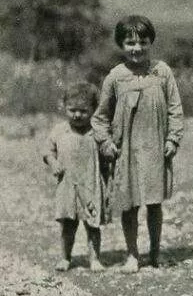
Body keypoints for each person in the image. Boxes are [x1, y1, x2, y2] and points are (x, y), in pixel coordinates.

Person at [92, 15, 184, 273]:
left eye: (143, 42)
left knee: (154, 203)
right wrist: (106, 143)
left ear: (150, 42)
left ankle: (155, 254)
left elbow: (175, 110)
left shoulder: (162, 72)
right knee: (129, 204)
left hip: (155, 147)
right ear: (121, 45)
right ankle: (132, 254)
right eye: (130, 42)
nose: (137, 48)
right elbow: (100, 118)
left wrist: (173, 139)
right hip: (126, 151)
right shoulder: (115, 77)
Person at [43, 82, 107, 272]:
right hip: (67, 184)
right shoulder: (59, 130)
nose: (77, 115)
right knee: (67, 225)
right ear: (64, 107)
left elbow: (107, 154)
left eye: (83, 111)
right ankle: (65, 257)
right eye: (72, 110)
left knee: (93, 224)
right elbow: (48, 150)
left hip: (91, 184)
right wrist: (53, 163)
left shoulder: (96, 131)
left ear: (93, 110)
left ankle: (95, 259)